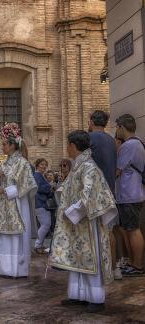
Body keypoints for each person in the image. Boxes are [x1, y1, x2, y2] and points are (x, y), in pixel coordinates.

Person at [50, 130, 117, 313]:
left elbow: (89, 196)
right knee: (76, 257)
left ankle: (96, 298)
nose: (66, 149)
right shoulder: (79, 166)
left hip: (87, 223)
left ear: (73, 146)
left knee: (89, 257)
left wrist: (70, 211)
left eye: (67, 145)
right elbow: (68, 188)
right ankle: (79, 295)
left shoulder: (89, 167)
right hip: (77, 222)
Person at [0, 123, 37, 278]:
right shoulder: (3, 164)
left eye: (4, 144)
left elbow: (27, 184)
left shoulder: (22, 163)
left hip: (17, 205)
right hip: (3, 206)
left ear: (12, 146)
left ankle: (16, 269)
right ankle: (3, 268)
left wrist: (7, 190)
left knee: (16, 237)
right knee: (3, 237)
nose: (2, 147)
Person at [88, 110, 121, 280]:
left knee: (98, 232)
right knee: (110, 231)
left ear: (92, 121)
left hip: (96, 192)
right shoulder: (111, 140)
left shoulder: (90, 139)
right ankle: (116, 268)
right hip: (111, 190)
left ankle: (103, 267)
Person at [115, 114, 145, 276]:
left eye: (117, 127)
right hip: (133, 193)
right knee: (131, 228)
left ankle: (138, 265)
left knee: (133, 230)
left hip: (129, 194)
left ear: (122, 127)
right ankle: (134, 263)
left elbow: (117, 171)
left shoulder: (129, 146)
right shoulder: (138, 143)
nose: (116, 130)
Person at [33, 158, 53, 254]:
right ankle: (38, 245)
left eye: (45, 165)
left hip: (41, 202)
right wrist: (50, 186)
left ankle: (39, 244)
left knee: (45, 224)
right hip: (40, 203)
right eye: (42, 164)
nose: (44, 166)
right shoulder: (37, 175)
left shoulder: (40, 175)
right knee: (46, 224)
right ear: (37, 165)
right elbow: (39, 188)